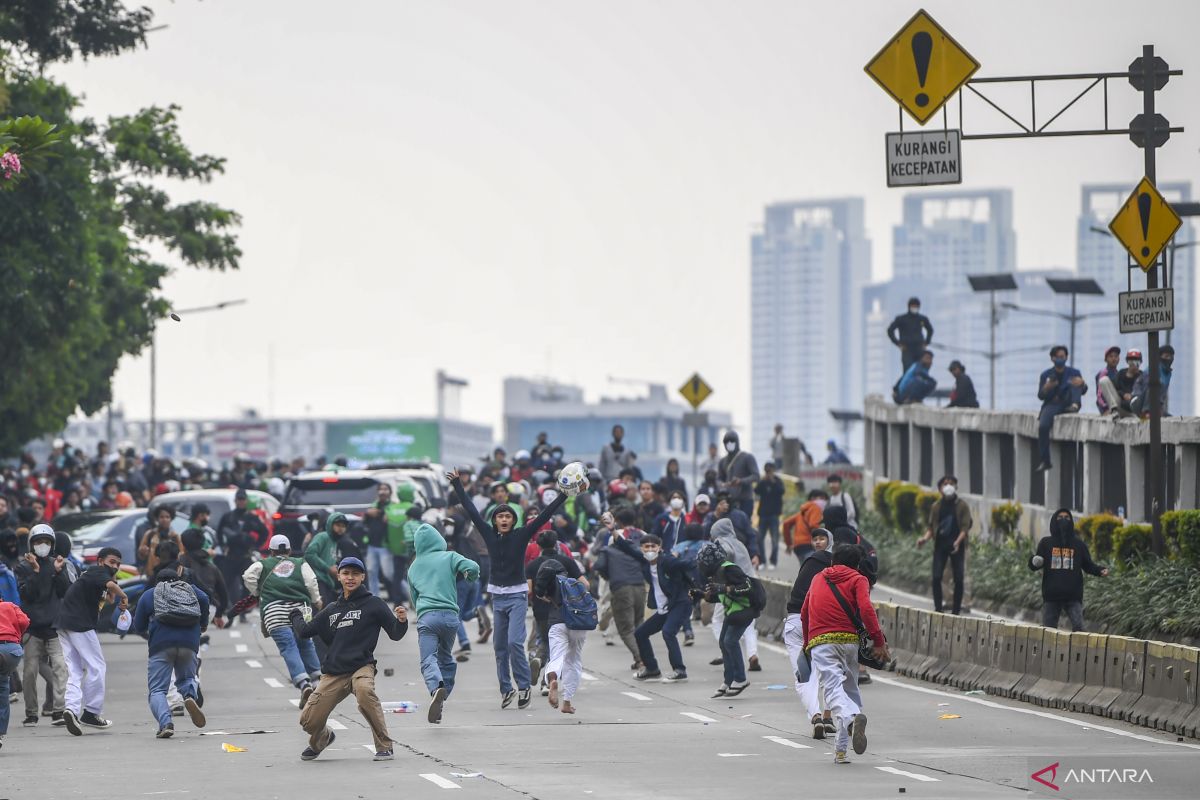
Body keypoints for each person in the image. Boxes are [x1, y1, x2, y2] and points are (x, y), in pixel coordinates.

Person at [447, 467, 567, 709]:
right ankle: (506, 689)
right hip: (497, 597)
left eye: (508, 516)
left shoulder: (522, 535)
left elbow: (543, 517)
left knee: (514, 643)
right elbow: (471, 510)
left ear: (514, 520)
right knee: (499, 647)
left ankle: (524, 687)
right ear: (494, 520)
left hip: (517, 596)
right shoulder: (489, 535)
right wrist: (458, 485)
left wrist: (563, 495)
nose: (503, 519)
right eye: (500, 517)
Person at [291, 557, 409, 761]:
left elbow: (395, 634)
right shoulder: (331, 609)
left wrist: (402, 621)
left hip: (361, 667)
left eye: (355, 574)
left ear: (363, 577)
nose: (350, 578)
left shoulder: (374, 604)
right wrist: (295, 615)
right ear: (339, 577)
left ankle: (384, 746)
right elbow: (305, 632)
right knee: (308, 721)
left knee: (365, 692)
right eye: (346, 574)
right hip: (334, 672)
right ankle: (323, 739)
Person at [802, 543, 889, 764]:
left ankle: (851, 722)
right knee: (850, 690)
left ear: (833, 561)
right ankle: (841, 750)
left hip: (822, 641)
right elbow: (867, 610)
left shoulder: (818, 578)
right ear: (857, 564)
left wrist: (806, 643)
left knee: (832, 689)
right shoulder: (859, 579)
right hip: (849, 642)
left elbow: (804, 612)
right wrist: (878, 641)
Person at [407, 522, 479, 724]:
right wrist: (470, 576)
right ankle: (442, 697)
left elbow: (413, 598)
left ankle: (435, 687)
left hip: (427, 618)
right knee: (445, 657)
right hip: (449, 617)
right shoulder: (450, 556)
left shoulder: (413, 567)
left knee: (428, 659)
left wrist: (421, 610)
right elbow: (472, 567)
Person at [56, 547, 129, 735]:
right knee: (97, 666)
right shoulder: (98, 571)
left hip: (64, 623)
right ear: (100, 561)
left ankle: (71, 710)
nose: (115, 566)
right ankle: (91, 712)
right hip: (80, 624)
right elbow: (114, 591)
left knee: (75, 670)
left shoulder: (96, 576)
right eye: (112, 562)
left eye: (118, 564)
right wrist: (124, 595)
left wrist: (113, 583)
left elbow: (109, 598)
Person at [243, 534, 323, 705]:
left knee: (288, 647)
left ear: (270, 551)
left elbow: (248, 576)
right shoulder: (300, 563)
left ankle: (304, 684)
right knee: (306, 642)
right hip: (301, 610)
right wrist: (316, 600)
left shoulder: (262, 564)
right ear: (289, 550)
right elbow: (310, 582)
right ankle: (317, 680)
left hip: (274, 611)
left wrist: (257, 593)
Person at [133, 567, 209, 738]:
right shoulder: (190, 589)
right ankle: (189, 696)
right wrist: (203, 623)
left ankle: (166, 723)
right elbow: (205, 598)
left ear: (157, 582)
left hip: (161, 645)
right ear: (179, 579)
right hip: (189, 643)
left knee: (158, 690)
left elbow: (138, 626)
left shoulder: (150, 594)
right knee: (188, 678)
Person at [614, 531, 694, 683]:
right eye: (646, 546)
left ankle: (679, 670)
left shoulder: (667, 561)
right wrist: (612, 529)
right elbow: (626, 547)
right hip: (665, 608)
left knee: (668, 632)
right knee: (640, 634)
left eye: (653, 546)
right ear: (641, 548)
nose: (650, 550)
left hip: (680, 603)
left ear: (659, 547)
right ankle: (652, 669)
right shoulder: (644, 561)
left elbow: (686, 564)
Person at [15, 524, 70, 727]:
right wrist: (36, 573)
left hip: (54, 628)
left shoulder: (57, 564)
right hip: (32, 629)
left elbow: (65, 591)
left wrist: (58, 572)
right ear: (31, 544)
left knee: (60, 668)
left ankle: (59, 710)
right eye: (38, 542)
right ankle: (31, 713)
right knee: (29, 672)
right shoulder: (23, 567)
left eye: (46, 542)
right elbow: (27, 594)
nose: (42, 546)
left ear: (52, 544)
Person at [783, 527, 834, 739]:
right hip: (820, 624)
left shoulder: (809, 562)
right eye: (816, 539)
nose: (818, 542)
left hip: (796, 621)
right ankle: (829, 716)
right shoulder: (839, 568)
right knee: (830, 672)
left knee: (804, 675)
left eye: (822, 538)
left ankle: (815, 716)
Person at [693, 541, 757, 698]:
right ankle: (728, 681)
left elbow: (747, 586)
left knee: (730, 641)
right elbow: (719, 597)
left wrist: (725, 588)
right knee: (723, 643)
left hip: (744, 610)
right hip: (732, 611)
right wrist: (701, 594)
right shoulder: (716, 573)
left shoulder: (730, 568)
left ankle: (740, 679)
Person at [1029, 509, 1108, 631]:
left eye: (1067, 517)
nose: (1063, 520)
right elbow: (1036, 563)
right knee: (1048, 632)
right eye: (1060, 518)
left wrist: (1099, 570)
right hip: (1052, 596)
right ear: (1054, 521)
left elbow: (1088, 565)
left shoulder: (1078, 545)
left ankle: (1079, 651)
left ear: (1071, 521)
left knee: (1079, 628)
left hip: (1073, 596)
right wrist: (1034, 561)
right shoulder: (1046, 543)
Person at [532, 557, 592, 714]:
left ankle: (552, 681)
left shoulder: (551, 582)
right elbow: (587, 587)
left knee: (556, 657)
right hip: (579, 625)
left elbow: (539, 592)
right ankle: (567, 701)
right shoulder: (575, 582)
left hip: (558, 623)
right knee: (573, 661)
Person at [525, 530, 582, 694]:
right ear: (556, 543)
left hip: (541, 611)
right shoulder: (567, 562)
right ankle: (546, 682)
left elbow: (529, 590)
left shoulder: (532, 565)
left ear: (538, 545)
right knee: (559, 647)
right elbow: (584, 583)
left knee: (545, 641)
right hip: (564, 611)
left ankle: (538, 659)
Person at [592, 508, 647, 670]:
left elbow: (601, 564)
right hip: (640, 584)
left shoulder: (611, 543)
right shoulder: (641, 538)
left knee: (625, 628)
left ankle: (641, 658)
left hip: (620, 585)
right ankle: (643, 657)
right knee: (639, 624)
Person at [708, 518, 760, 673]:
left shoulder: (723, 543)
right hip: (752, 586)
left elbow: (727, 554)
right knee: (749, 624)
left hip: (731, 588)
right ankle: (752, 655)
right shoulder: (740, 544)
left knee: (717, 620)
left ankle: (727, 650)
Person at [917, 476, 972, 615]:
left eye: (951, 484)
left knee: (959, 578)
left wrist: (957, 542)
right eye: (945, 484)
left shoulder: (962, 506)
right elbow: (931, 528)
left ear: (956, 487)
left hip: (956, 546)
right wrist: (924, 539)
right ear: (940, 489)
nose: (948, 486)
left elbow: (965, 528)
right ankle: (938, 608)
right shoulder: (936, 507)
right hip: (940, 546)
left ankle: (956, 610)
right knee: (936, 577)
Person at [1035, 345, 1087, 472]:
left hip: (1069, 403)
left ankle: (1075, 406)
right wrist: (1047, 387)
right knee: (1043, 427)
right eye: (1057, 357)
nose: (1060, 359)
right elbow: (1040, 396)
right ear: (1052, 358)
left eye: (1062, 357)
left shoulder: (1074, 372)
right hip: (1052, 404)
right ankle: (1045, 460)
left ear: (1066, 357)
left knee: (1075, 382)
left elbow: (1083, 390)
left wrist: (1083, 384)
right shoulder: (1046, 375)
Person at [0, 595, 29, 751]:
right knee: (3, 688)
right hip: (12, 650)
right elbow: (24, 621)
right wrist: (16, 634)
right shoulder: (10, 606)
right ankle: (0, 733)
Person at [360, 483, 397, 601]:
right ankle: (374, 598)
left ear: (390, 492)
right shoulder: (373, 506)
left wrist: (382, 514)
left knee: (389, 574)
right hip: (372, 545)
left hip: (385, 545)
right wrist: (367, 514)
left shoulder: (393, 507)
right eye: (380, 489)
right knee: (371, 572)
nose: (382, 491)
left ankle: (407, 592)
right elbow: (364, 523)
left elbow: (395, 520)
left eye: (385, 489)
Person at [305, 512, 350, 606]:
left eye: (343, 526)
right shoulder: (323, 536)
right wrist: (328, 569)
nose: (341, 528)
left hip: (328, 583)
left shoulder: (334, 541)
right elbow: (309, 554)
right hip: (318, 582)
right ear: (330, 524)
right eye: (337, 525)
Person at [887, 296, 934, 373]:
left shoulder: (922, 319)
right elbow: (890, 331)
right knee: (908, 371)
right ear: (909, 306)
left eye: (916, 306)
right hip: (907, 349)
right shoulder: (901, 319)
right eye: (913, 306)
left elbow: (930, 330)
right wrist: (898, 343)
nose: (915, 308)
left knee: (921, 371)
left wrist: (926, 342)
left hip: (919, 349)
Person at [718, 431, 760, 517]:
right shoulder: (722, 461)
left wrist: (741, 481)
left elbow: (756, 476)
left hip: (745, 500)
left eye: (732, 441)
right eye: (727, 442)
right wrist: (722, 484)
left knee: (743, 525)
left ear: (737, 442)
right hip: (728, 500)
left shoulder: (747, 457)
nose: (729, 444)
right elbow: (719, 478)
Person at [754, 464, 785, 569]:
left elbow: (781, 491)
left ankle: (773, 561)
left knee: (775, 540)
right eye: (767, 471)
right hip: (763, 515)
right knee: (759, 539)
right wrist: (762, 481)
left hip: (774, 515)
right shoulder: (762, 481)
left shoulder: (778, 481)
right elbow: (756, 491)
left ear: (773, 470)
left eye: (770, 471)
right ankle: (762, 561)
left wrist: (773, 481)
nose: (768, 473)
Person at [1130, 344, 1175, 417]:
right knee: (1153, 385)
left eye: (1171, 356)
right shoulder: (1153, 368)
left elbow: (1162, 394)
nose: (1169, 358)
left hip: (1154, 405)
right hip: (1138, 402)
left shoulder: (1168, 374)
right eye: (1166, 356)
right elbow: (1147, 389)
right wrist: (1147, 409)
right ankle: (1146, 412)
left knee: (1169, 417)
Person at [783, 489, 827, 563]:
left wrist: (789, 543)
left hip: (798, 546)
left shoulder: (801, 513)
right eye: (822, 498)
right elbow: (814, 526)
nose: (824, 501)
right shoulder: (815, 507)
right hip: (808, 544)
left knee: (805, 570)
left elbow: (786, 524)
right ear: (813, 498)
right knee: (812, 569)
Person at [138, 505, 181, 577]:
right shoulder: (150, 534)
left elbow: (181, 556)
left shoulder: (175, 537)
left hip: (171, 573)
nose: (164, 519)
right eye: (162, 517)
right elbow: (141, 555)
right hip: (152, 573)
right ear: (157, 519)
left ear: (171, 519)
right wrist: (143, 551)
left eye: (167, 517)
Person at [1098, 348, 1141, 419]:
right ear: (1127, 361)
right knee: (1103, 380)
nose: (1134, 363)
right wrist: (1123, 394)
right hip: (1120, 406)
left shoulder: (1142, 376)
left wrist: (1132, 396)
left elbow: (1144, 395)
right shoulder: (1121, 373)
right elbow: (1114, 388)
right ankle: (1114, 410)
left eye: (1136, 360)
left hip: (1133, 410)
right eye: (1131, 360)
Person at [1094, 346, 1121, 414]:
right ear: (1105, 360)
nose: (1113, 358)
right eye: (1111, 356)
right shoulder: (1103, 373)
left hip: (1117, 407)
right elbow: (1099, 395)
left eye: (1116, 356)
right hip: (1107, 408)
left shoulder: (1119, 373)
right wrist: (1105, 409)